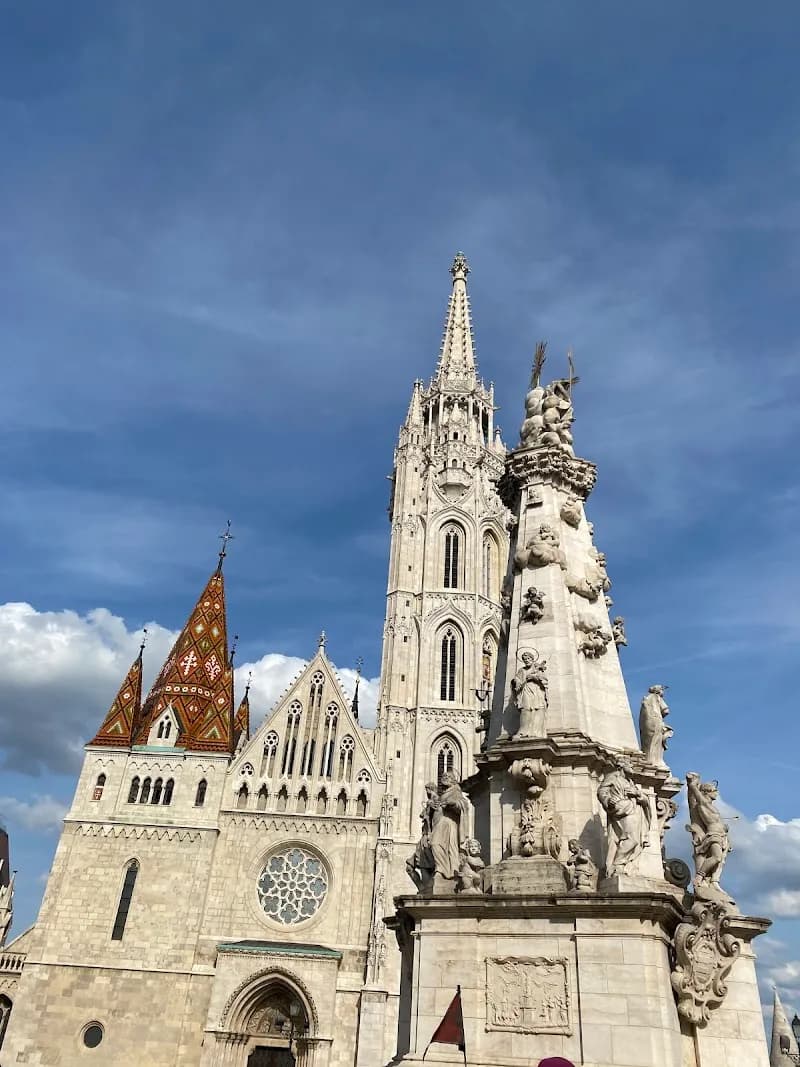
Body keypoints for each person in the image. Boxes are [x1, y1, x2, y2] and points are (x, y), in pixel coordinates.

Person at [430, 772, 469, 881]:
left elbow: (463, 805)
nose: (444, 778)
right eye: (443, 776)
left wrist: (452, 803)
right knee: (435, 845)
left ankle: (448, 871)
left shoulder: (456, 790)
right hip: (440, 823)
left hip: (449, 823)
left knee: (440, 845)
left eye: (448, 777)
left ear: (453, 779)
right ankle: (441, 869)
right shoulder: (444, 793)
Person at [511, 651, 548, 737]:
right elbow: (517, 680)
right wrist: (516, 681)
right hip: (526, 690)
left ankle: (536, 732)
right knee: (525, 709)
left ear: (532, 659)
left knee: (538, 709)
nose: (526, 660)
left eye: (528, 658)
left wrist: (534, 677)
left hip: (537, 690)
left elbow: (544, 680)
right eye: (524, 659)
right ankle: (523, 731)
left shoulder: (537, 668)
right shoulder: (521, 670)